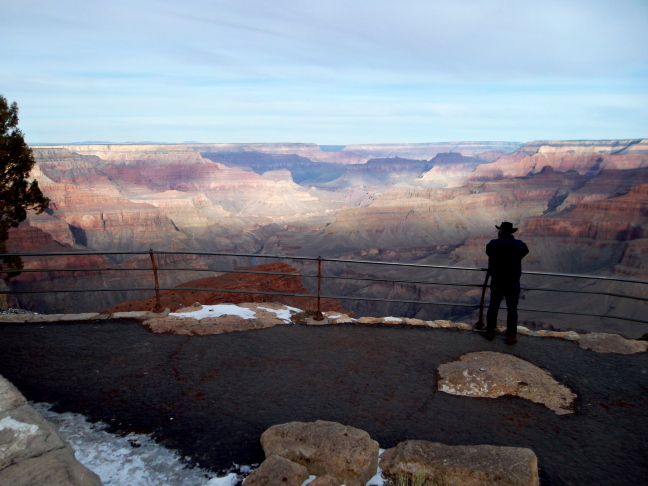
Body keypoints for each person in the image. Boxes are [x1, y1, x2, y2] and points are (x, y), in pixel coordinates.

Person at [484, 222, 529, 344]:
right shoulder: (519, 245)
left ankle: (490, 331)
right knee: (512, 309)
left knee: (493, 307)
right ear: (512, 232)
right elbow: (524, 252)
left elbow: (488, 252)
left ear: (501, 231)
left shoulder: (493, 244)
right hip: (513, 282)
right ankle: (511, 336)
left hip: (497, 281)